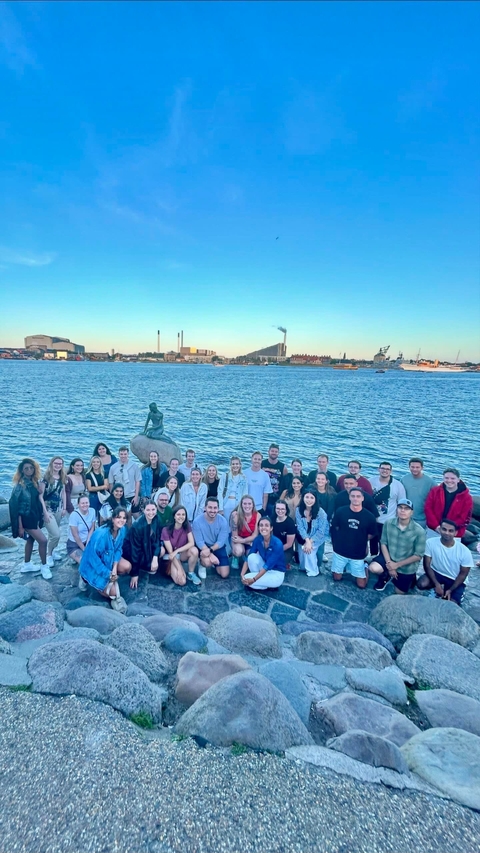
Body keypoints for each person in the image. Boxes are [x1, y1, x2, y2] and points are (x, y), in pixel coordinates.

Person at [369, 499, 426, 593]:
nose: (403, 510)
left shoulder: (419, 531)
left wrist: (396, 565)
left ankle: (410, 576)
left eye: (406, 508)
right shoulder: (388, 523)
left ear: (412, 512)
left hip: (406, 565)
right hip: (389, 558)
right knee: (373, 568)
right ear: (397, 509)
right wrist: (389, 564)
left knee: (399, 593)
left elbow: (418, 555)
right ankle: (386, 575)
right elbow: (383, 543)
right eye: (400, 507)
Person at [79, 506, 128, 611]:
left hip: (108, 560)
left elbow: (118, 549)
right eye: (118, 517)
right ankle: (84, 578)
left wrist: (114, 568)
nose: (121, 520)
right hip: (92, 565)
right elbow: (93, 560)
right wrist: (108, 574)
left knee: (127, 567)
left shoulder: (123, 530)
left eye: (124, 518)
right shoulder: (101, 535)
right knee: (114, 593)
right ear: (113, 518)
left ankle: (108, 580)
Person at [417, 519, 474, 605]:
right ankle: (436, 588)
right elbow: (427, 565)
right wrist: (437, 584)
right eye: (444, 529)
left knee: (452, 603)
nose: (447, 533)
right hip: (438, 573)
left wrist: (450, 590)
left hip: (455, 578)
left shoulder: (464, 551)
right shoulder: (430, 543)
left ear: (455, 533)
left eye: (450, 531)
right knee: (421, 584)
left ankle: (459, 593)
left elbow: (463, 575)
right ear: (440, 529)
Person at [330, 487, 377, 588]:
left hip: (357, 553)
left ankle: (364, 566)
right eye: (353, 496)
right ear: (349, 497)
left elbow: (372, 534)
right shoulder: (340, 511)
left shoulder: (369, 516)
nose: (355, 498)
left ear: (363, 498)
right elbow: (335, 527)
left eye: (358, 496)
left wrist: (361, 541)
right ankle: (344, 566)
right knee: (337, 578)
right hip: (341, 551)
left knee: (361, 585)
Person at [9, 458, 49, 577]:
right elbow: (16, 508)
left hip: (34, 516)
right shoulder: (19, 486)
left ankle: (26, 565)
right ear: (22, 470)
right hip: (26, 519)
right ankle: (44, 566)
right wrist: (20, 527)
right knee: (43, 541)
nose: (29, 470)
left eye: (31, 468)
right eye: (26, 468)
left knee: (31, 540)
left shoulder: (34, 482)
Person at [119, 501, 165, 589]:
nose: (151, 512)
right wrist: (135, 574)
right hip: (132, 549)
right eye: (148, 510)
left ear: (156, 509)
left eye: (153, 509)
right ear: (143, 510)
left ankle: (146, 564)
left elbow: (157, 540)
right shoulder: (137, 526)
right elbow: (135, 550)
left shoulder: (157, 519)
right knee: (151, 568)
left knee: (162, 551)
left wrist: (155, 557)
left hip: (146, 546)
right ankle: (140, 566)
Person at [369, 462, 407, 557]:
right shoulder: (371, 481)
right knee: (372, 542)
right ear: (379, 469)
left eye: (387, 469)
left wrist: (399, 521)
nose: (385, 471)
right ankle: (373, 558)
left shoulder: (398, 485)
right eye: (382, 468)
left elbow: (401, 504)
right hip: (372, 519)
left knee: (385, 544)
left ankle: (383, 561)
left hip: (388, 521)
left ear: (391, 471)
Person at [424, 468, 473, 539]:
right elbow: (428, 508)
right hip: (434, 529)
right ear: (443, 478)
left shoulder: (466, 497)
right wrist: (436, 526)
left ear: (458, 480)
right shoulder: (435, 491)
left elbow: (465, 517)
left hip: (455, 533)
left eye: (453, 478)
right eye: (446, 478)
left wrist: (449, 529)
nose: (449, 481)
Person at [241, 516, 286, 590]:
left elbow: (268, 566)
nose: (263, 528)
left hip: (276, 573)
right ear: (258, 528)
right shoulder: (258, 539)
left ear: (271, 528)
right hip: (265, 568)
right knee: (251, 557)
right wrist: (242, 574)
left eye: (266, 525)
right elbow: (248, 558)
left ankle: (263, 584)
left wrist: (253, 580)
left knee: (248, 579)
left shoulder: (277, 544)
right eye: (261, 525)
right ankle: (264, 584)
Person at [161, 504, 200, 585]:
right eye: (178, 514)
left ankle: (191, 573)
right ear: (174, 516)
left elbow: (191, 543)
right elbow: (171, 553)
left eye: (183, 514)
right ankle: (176, 568)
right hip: (171, 558)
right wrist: (179, 569)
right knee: (182, 582)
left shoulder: (187, 526)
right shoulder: (166, 530)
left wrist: (177, 551)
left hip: (181, 554)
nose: (181, 517)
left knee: (194, 550)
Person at [39, 456, 67, 568]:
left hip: (58, 509)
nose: (58, 465)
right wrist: (44, 512)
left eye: (60, 464)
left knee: (53, 534)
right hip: (48, 510)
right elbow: (40, 496)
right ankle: (49, 555)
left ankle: (52, 551)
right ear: (51, 464)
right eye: (56, 463)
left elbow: (63, 493)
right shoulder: (45, 477)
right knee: (56, 534)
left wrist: (64, 508)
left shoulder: (62, 477)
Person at [192, 497, 230, 579]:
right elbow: (199, 541)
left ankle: (215, 562)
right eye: (210, 507)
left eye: (215, 508)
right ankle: (202, 563)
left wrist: (210, 551)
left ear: (218, 508)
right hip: (203, 546)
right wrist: (210, 554)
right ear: (205, 508)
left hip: (217, 546)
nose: (212, 510)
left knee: (224, 574)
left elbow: (221, 541)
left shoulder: (223, 521)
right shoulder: (197, 521)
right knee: (207, 562)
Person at [295, 488, 329, 577]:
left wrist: (310, 542)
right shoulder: (298, 510)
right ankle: (303, 567)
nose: (309, 500)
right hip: (304, 536)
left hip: (317, 536)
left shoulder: (321, 512)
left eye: (312, 498)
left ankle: (313, 571)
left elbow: (321, 531)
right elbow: (300, 527)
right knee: (304, 549)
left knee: (309, 550)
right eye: (307, 497)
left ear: (315, 499)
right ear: (303, 498)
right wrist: (307, 540)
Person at [401, 458, 435, 528]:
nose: (415, 469)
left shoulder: (430, 482)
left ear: (422, 468)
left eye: (417, 467)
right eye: (412, 467)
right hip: (405, 516)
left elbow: (436, 500)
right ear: (409, 467)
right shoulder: (404, 479)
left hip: (421, 518)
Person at [108, 447, 141, 514]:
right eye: (121, 454)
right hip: (118, 496)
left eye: (125, 454)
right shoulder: (113, 467)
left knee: (135, 514)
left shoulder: (134, 466)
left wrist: (136, 496)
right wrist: (112, 496)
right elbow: (111, 483)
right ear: (119, 454)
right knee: (119, 514)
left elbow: (137, 481)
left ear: (128, 454)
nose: (123, 456)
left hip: (131, 495)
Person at [230, 495, 260, 568]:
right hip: (238, 540)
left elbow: (255, 535)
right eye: (245, 504)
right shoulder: (235, 515)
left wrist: (244, 541)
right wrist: (247, 542)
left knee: (253, 555)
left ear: (253, 505)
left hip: (250, 540)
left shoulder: (258, 515)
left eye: (249, 504)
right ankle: (235, 557)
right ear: (241, 505)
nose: (247, 506)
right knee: (239, 551)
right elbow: (235, 537)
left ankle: (245, 557)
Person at [67, 495, 96, 566]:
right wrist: (84, 549)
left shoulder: (92, 511)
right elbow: (75, 535)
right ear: (78, 504)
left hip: (87, 541)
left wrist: (88, 543)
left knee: (97, 559)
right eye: (82, 503)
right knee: (86, 563)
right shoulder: (74, 515)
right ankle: (74, 556)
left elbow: (92, 528)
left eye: (86, 503)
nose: (85, 505)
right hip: (75, 544)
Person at [218, 456, 248, 525]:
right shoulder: (225, 476)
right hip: (226, 503)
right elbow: (220, 492)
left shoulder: (243, 478)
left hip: (238, 505)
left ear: (240, 465)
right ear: (230, 465)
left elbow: (245, 494)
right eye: (233, 464)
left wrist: (243, 507)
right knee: (225, 524)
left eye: (237, 464)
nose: (235, 466)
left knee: (235, 525)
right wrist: (220, 508)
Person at [261, 443, 288, 513]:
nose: (274, 453)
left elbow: (285, 484)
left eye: (276, 451)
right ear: (268, 452)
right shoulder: (262, 464)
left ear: (278, 453)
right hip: (262, 497)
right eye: (272, 451)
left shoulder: (283, 467)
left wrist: (281, 499)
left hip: (275, 499)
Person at [272, 500, 296, 566]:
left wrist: (276, 551)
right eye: (278, 508)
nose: (280, 511)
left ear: (286, 510)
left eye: (282, 509)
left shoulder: (290, 523)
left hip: (286, 549)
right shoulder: (272, 520)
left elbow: (289, 544)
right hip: (272, 547)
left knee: (277, 562)